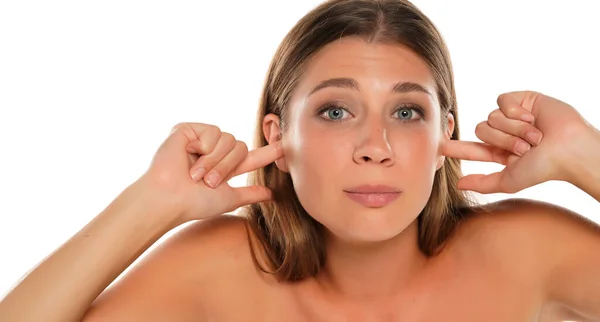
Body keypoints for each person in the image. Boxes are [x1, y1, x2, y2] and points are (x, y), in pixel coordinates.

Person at [1, 0, 599, 320]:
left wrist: (583, 156)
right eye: (336, 111)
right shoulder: (217, 268)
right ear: (277, 138)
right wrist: (150, 202)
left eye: (407, 113)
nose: (375, 146)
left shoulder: (526, 250)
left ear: (446, 134)